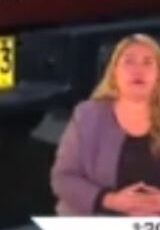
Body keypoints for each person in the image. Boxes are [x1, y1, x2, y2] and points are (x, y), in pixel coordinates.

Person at [51, 33, 160, 215]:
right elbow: (63, 178)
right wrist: (110, 200)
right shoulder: (88, 116)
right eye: (129, 62)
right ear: (114, 72)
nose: (138, 70)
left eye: (148, 63)